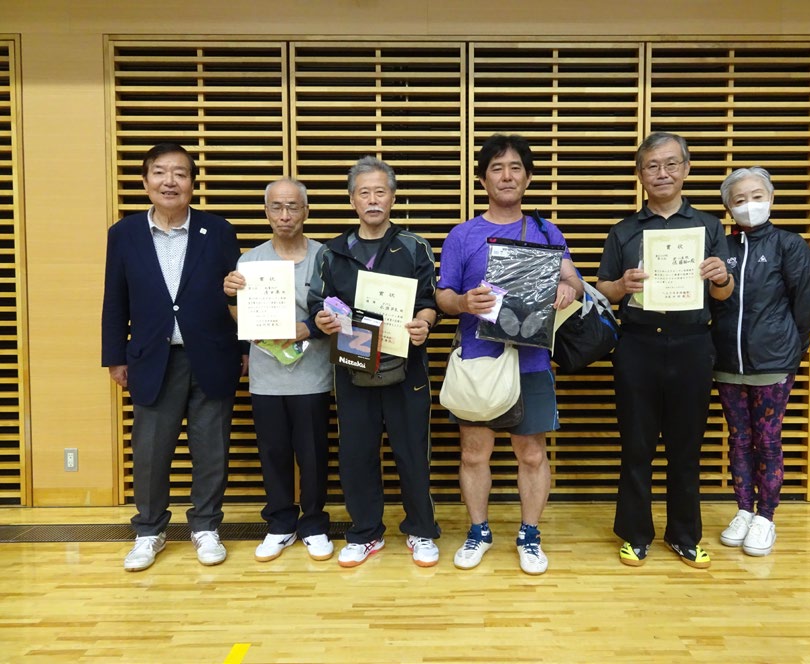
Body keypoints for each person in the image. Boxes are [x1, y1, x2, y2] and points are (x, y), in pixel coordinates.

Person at [436, 133, 583, 575]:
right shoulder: (463, 235)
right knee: (473, 454)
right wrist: (464, 303)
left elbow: (575, 281)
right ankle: (478, 531)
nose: (506, 175)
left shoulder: (545, 231)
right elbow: (443, 296)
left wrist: (567, 288)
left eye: (515, 167)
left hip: (532, 360)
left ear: (528, 177)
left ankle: (530, 534)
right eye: (496, 168)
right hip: (479, 359)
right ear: (483, 179)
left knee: (532, 455)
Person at [102, 143, 245, 572]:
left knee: (211, 448)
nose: (170, 182)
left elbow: (239, 295)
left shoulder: (218, 230)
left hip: (213, 356)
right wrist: (115, 356)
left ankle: (206, 526)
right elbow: (115, 299)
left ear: (192, 183)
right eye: (160, 172)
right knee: (150, 452)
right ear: (145, 181)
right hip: (152, 359)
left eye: (180, 173)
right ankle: (149, 531)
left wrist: (243, 349)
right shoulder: (124, 233)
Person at [596, 131, 734, 569]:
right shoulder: (624, 231)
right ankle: (636, 534)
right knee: (636, 445)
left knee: (686, 447)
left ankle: (684, 536)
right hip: (637, 344)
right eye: (652, 166)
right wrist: (622, 285)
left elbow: (724, 294)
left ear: (686, 169)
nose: (662, 173)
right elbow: (603, 290)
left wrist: (721, 277)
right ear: (640, 175)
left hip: (693, 344)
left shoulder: (709, 227)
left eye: (671, 164)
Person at [307, 156, 441, 568]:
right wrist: (322, 319)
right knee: (357, 453)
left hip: (407, 367)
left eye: (380, 191)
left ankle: (421, 530)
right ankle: (365, 533)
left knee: (412, 452)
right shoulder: (331, 252)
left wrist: (423, 323)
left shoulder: (414, 246)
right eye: (363, 192)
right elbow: (316, 303)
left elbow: (429, 301)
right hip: (352, 365)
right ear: (352, 200)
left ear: (392, 197)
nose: (372, 200)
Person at [222, 178, 335, 563]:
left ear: (306, 211)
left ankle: (314, 524)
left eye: (292, 207)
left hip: (313, 375)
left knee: (314, 454)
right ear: (266, 212)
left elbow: (340, 310)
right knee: (273, 453)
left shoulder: (326, 257)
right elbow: (241, 319)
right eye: (276, 207)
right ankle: (280, 524)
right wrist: (230, 296)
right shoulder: (249, 262)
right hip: (266, 376)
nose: (285, 215)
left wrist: (310, 327)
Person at [711, 167, 810, 557]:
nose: (749, 205)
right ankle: (743, 509)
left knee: (768, 440)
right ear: (728, 207)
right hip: (727, 361)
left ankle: (766, 516)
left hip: (773, 363)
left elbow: (804, 305)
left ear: (771, 198)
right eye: (739, 200)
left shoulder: (790, 245)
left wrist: (790, 349)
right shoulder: (720, 247)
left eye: (756, 196)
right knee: (738, 439)